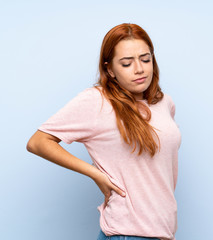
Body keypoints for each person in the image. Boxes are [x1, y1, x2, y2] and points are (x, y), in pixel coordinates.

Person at [26, 23, 181, 240]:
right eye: (126, 63)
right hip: (126, 234)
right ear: (110, 69)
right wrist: (95, 173)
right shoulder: (98, 101)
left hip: (163, 232)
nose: (139, 68)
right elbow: (38, 142)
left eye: (145, 59)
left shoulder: (165, 103)